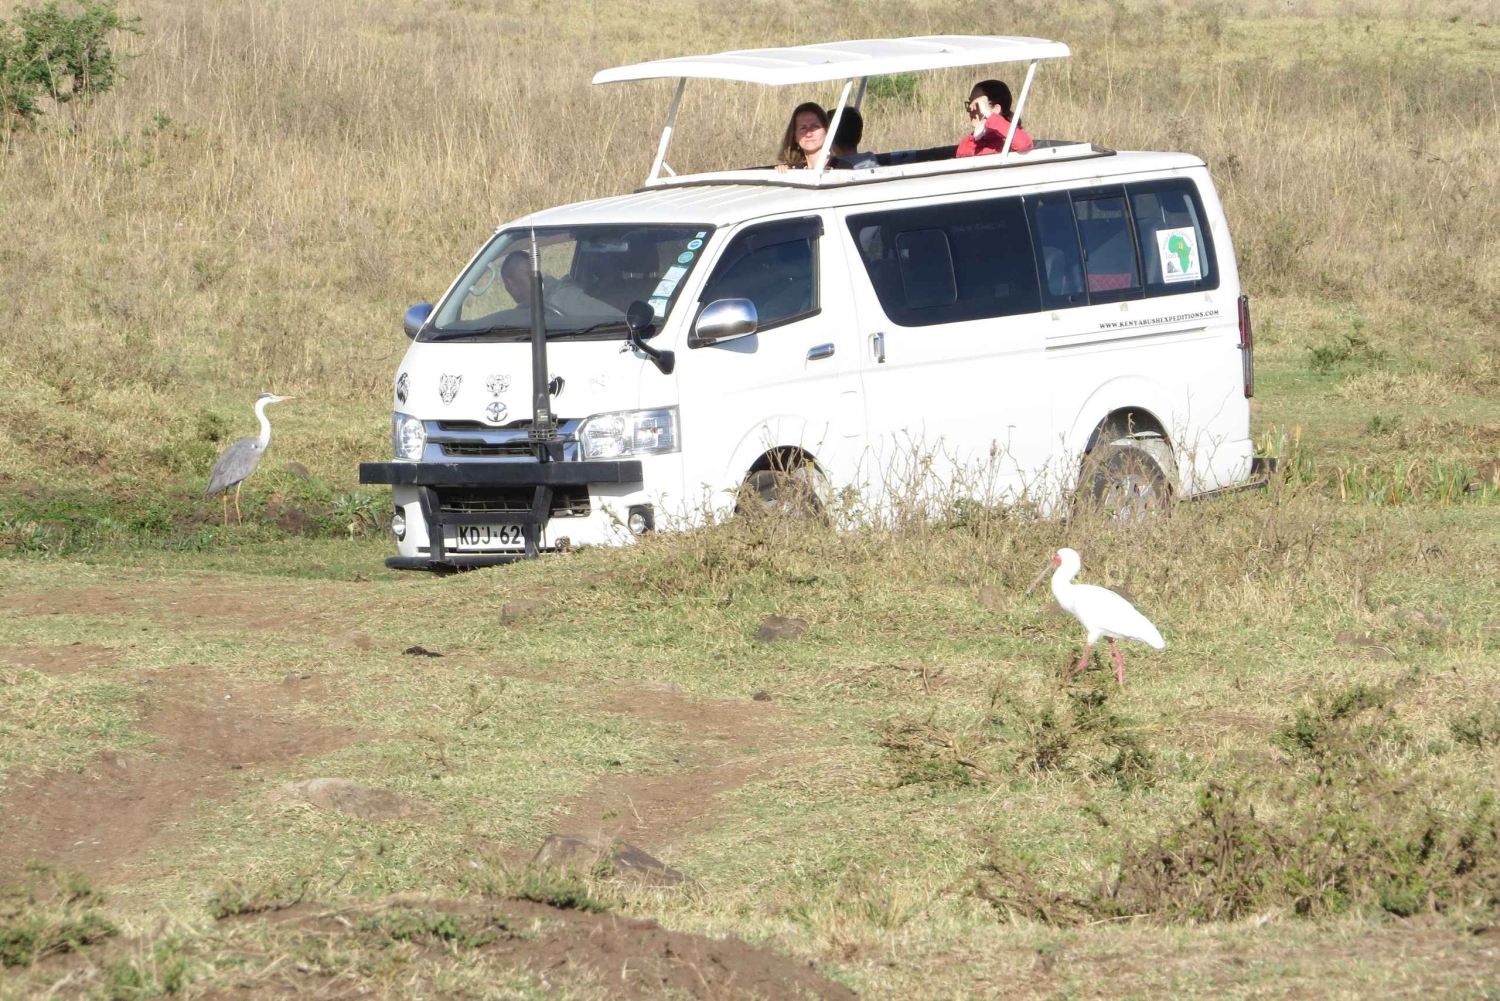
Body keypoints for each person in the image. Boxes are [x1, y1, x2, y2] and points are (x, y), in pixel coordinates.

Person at [499, 250, 615, 320]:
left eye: (533, 274)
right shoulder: (526, 312)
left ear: (508, 284)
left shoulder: (565, 299)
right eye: (530, 275)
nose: (536, 279)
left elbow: (619, 322)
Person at [956, 79, 1033, 157]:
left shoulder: (1008, 139)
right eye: (969, 103)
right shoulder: (967, 143)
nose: (969, 109)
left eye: (977, 105)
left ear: (996, 109)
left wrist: (989, 115)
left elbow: (1024, 145)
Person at [775, 102, 830, 170]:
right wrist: (783, 174)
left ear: (827, 131)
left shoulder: (844, 168)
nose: (809, 134)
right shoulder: (794, 171)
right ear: (795, 136)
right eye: (803, 128)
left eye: (815, 127)